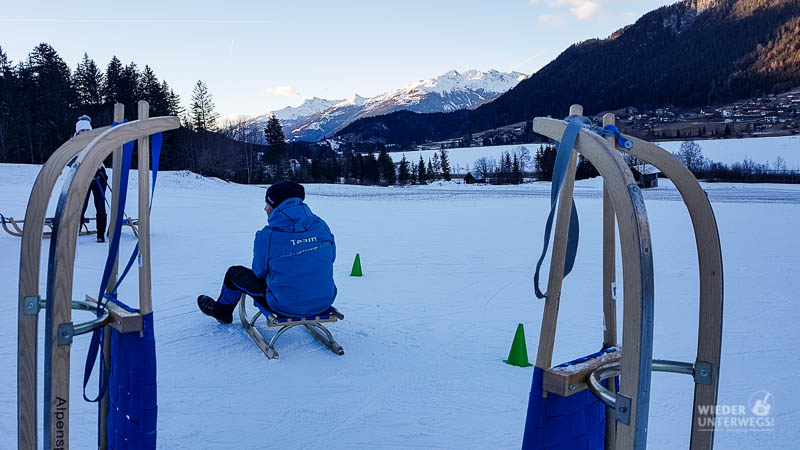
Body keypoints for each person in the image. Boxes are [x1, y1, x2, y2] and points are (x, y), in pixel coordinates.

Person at [197, 180, 337, 324]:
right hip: (324, 300)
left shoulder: (268, 236)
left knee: (234, 273)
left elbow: (259, 272)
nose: (265, 209)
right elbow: (331, 257)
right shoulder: (320, 226)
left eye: (267, 204)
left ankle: (221, 312)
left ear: (276, 207)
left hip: (283, 305)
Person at [75, 115, 108, 243]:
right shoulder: (73, 144)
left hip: (98, 176)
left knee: (100, 204)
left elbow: (100, 157)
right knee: (80, 205)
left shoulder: (96, 142)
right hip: (82, 177)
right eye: (82, 130)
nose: (85, 133)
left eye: (87, 130)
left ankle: (100, 234)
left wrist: (99, 172)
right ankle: (76, 229)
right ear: (78, 131)